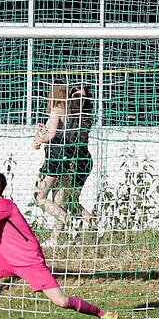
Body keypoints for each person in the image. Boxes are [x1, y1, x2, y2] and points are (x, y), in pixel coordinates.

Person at [0, 172, 118, 319]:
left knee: (61, 301)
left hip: (30, 263)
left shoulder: (4, 205)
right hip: (8, 261)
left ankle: (101, 314)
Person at [33, 81, 70, 247]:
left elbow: (53, 135)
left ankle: (67, 219)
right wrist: (45, 129)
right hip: (65, 158)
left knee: (38, 197)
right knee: (58, 199)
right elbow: (58, 134)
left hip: (54, 159)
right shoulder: (68, 111)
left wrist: (41, 137)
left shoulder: (56, 110)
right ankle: (54, 240)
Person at [60, 85, 97, 230]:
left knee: (70, 199)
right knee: (65, 199)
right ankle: (74, 230)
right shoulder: (66, 114)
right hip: (66, 160)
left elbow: (77, 141)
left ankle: (93, 225)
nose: (78, 99)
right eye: (75, 95)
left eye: (82, 97)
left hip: (80, 161)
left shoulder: (85, 118)